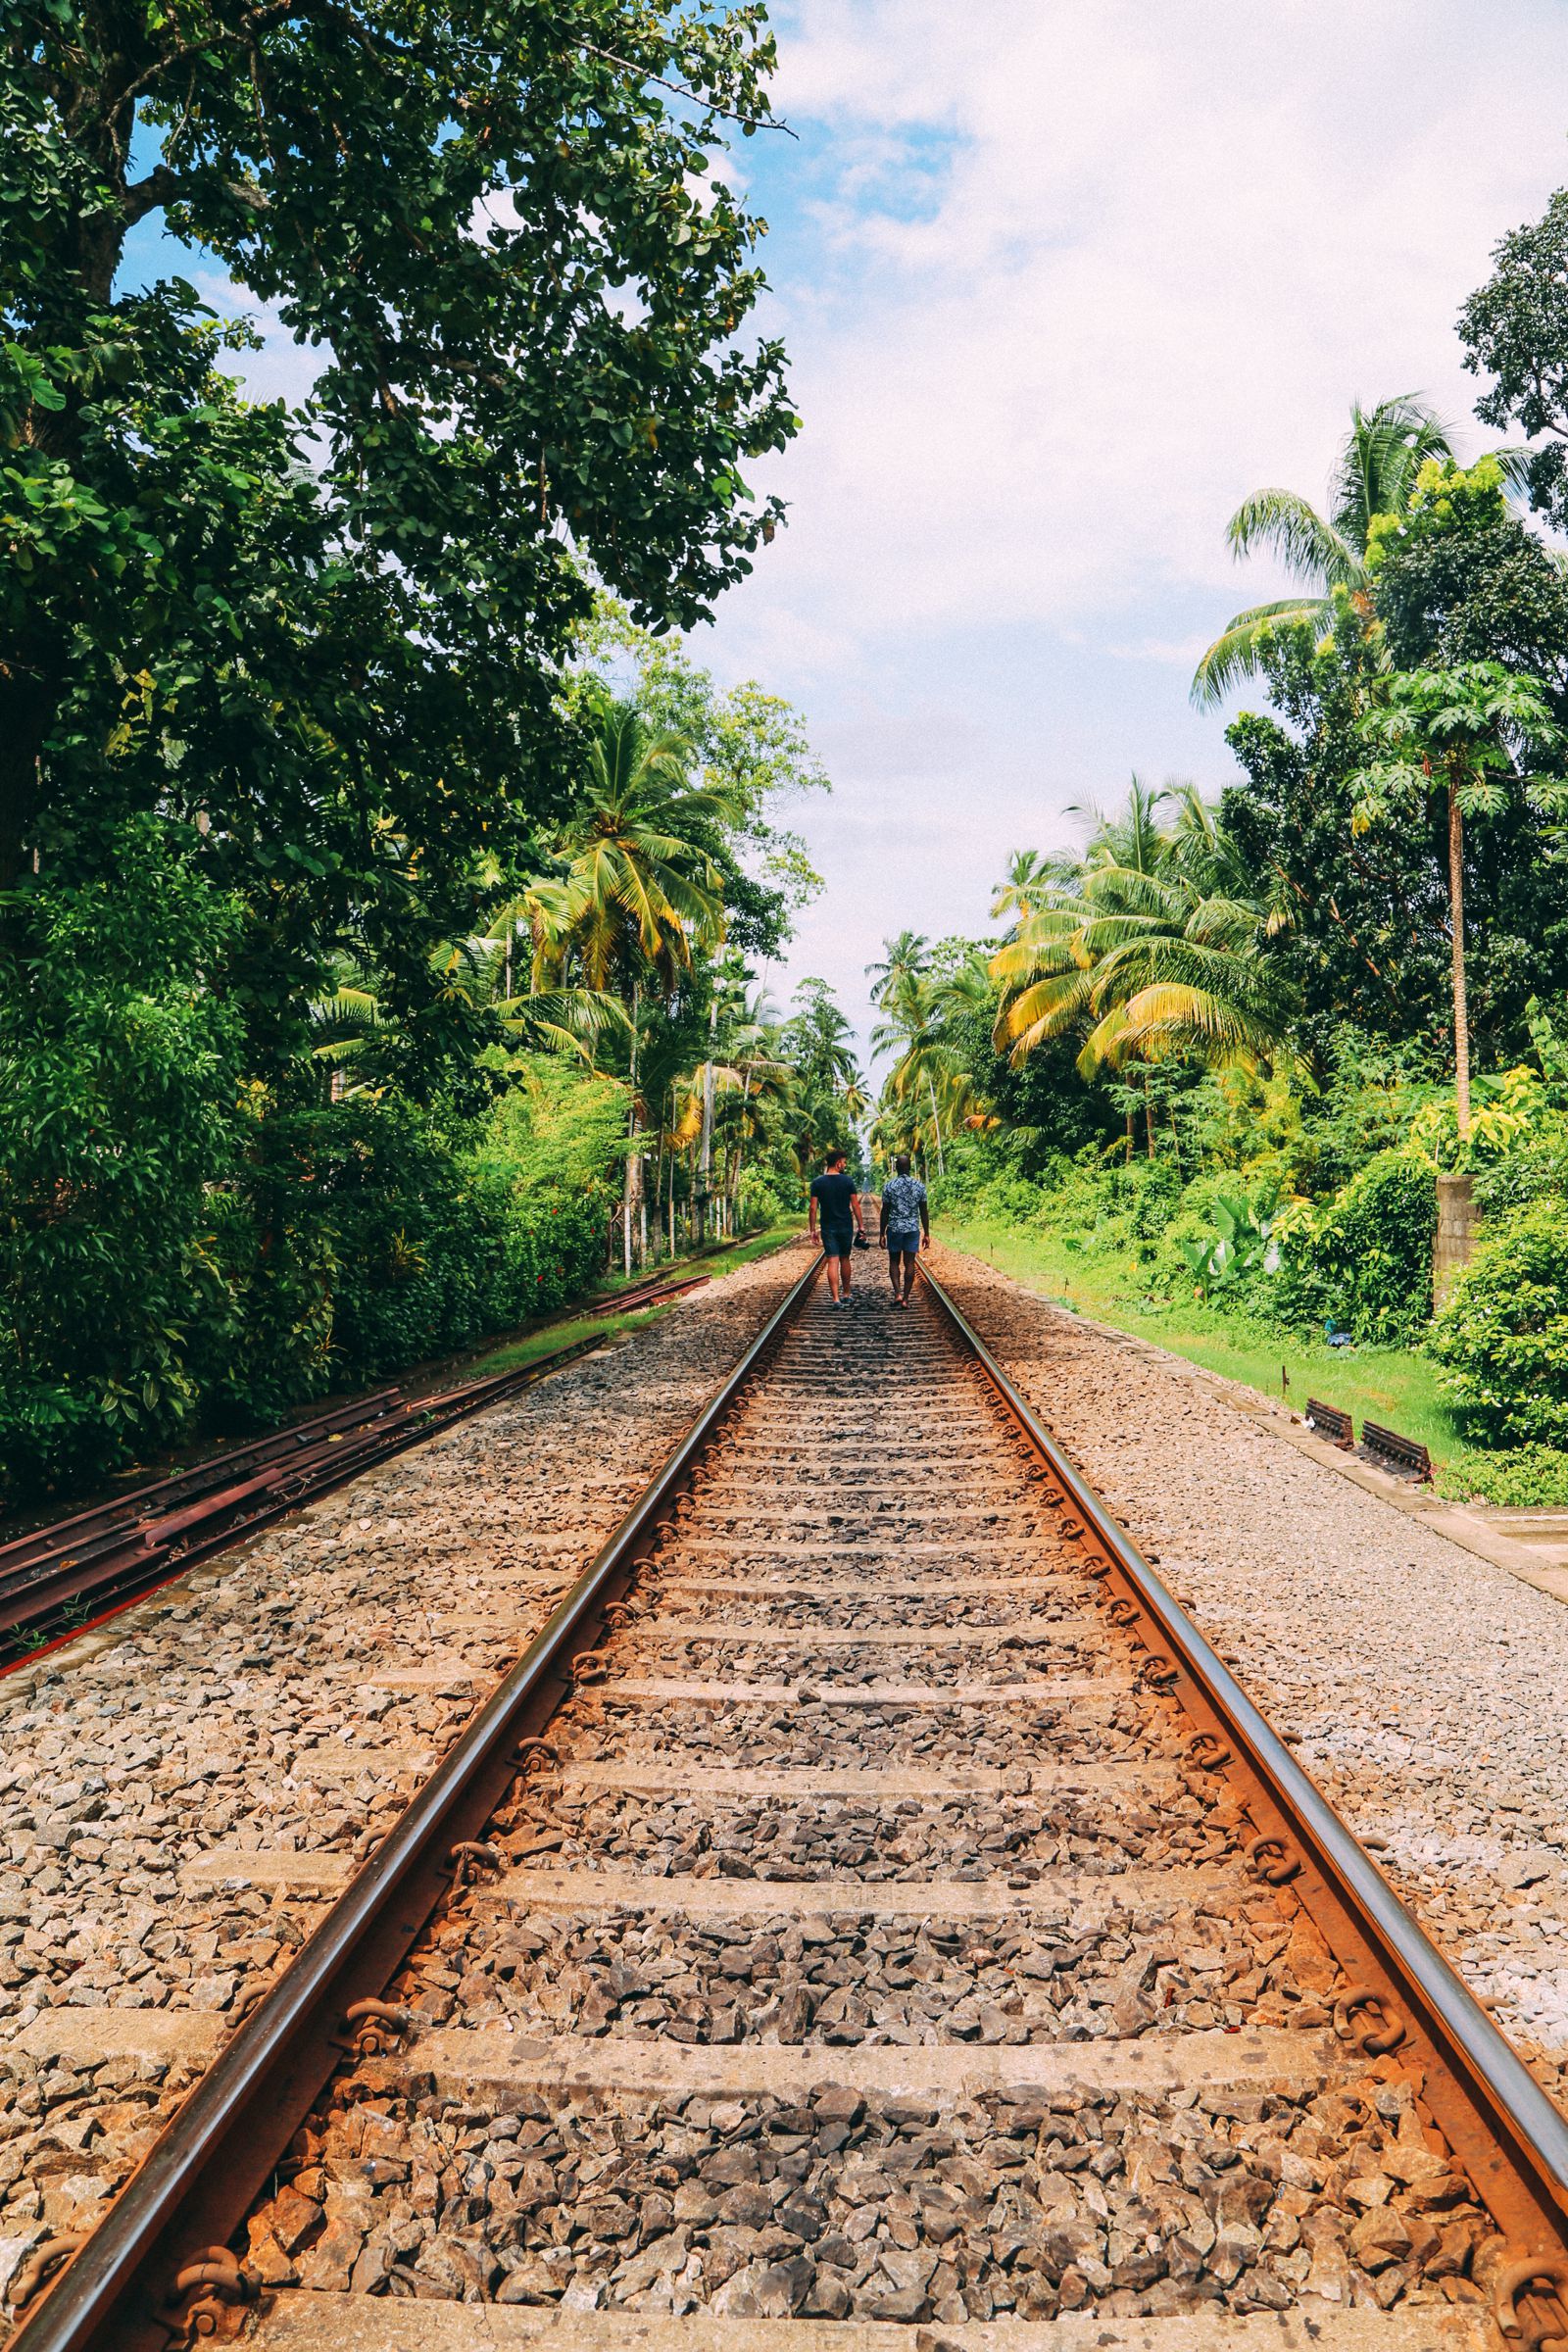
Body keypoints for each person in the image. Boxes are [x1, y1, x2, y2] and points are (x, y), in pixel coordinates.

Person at [808, 1149, 865, 1305]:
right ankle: (846, 1294)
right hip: (845, 1225)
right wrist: (861, 1226)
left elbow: (813, 1208)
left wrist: (812, 1230)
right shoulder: (847, 1181)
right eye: (844, 1162)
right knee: (845, 1259)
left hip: (828, 1227)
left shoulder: (817, 1182)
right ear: (838, 1163)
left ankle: (835, 1299)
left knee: (832, 1260)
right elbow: (855, 1205)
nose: (845, 1165)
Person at [879, 1152, 929, 1306]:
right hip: (912, 1228)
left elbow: (885, 1211)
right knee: (910, 1263)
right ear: (909, 1167)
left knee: (894, 1261)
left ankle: (897, 1294)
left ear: (896, 1168)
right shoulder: (919, 1186)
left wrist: (882, 1233)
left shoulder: (889, 1186)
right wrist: (927, 1233)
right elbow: (924, 1211)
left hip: (894, 1228)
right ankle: (906, 1299)